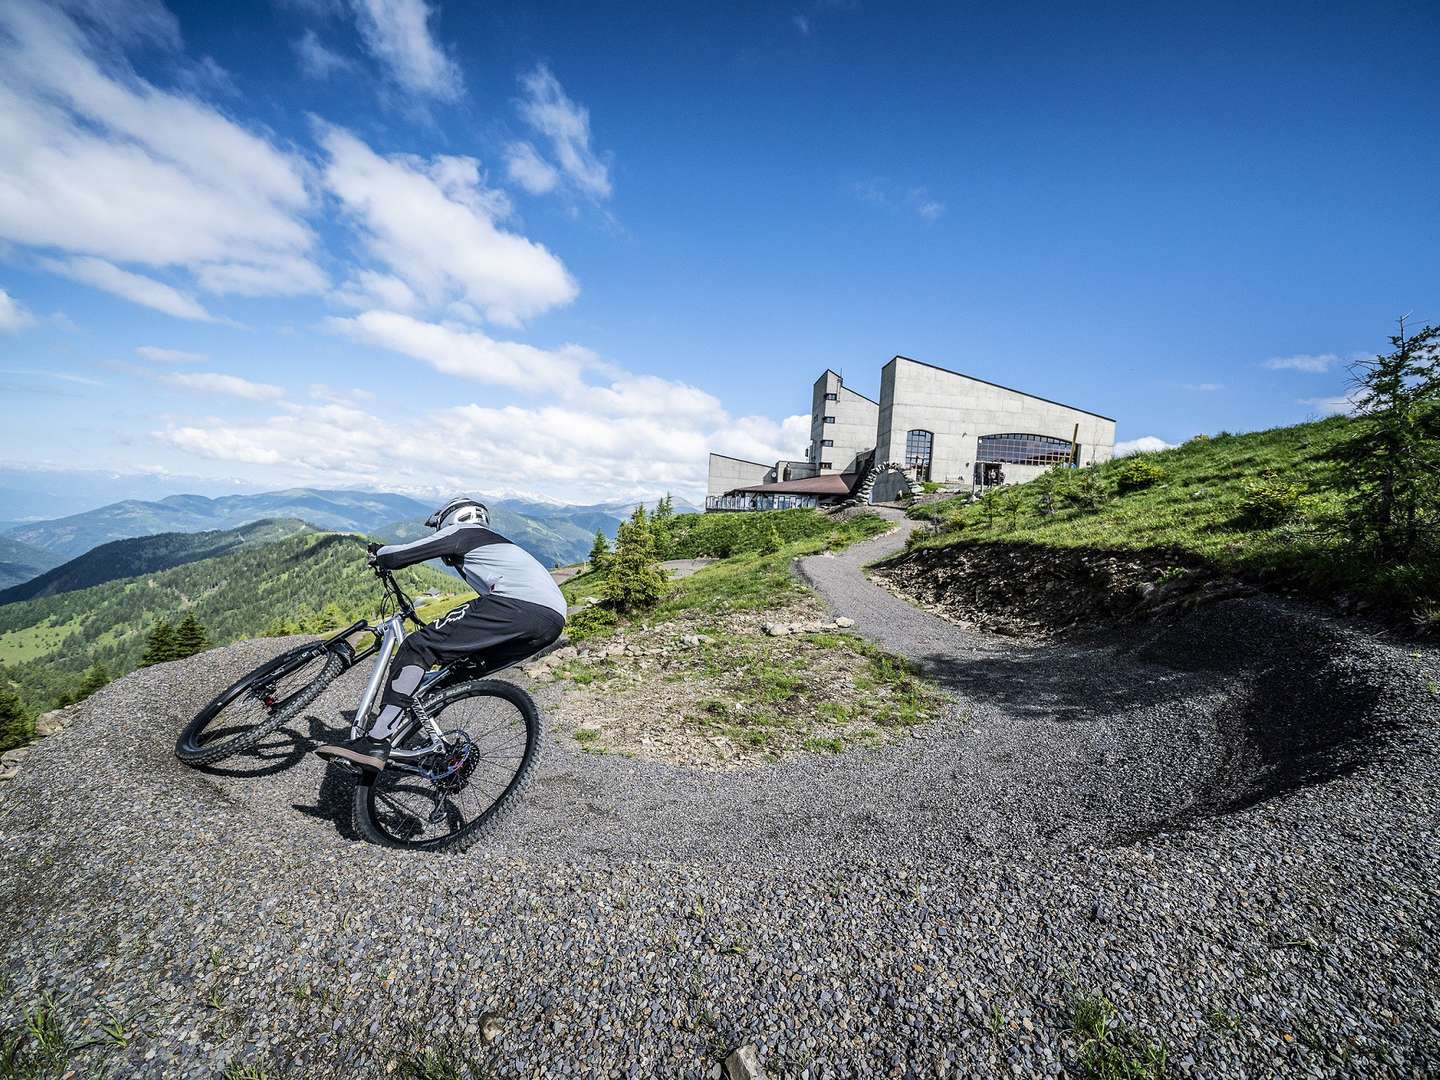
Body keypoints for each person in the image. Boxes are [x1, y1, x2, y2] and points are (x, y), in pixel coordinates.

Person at [315, 496, 567, 771]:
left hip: (517, 605)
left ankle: (375, 741)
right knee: (455, 674)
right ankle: (436, 753)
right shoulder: (500, 548)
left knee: (418, 646)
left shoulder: (464, 533)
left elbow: (399, 556)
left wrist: (379, 553)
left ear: (451, 519)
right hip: (551, 622)